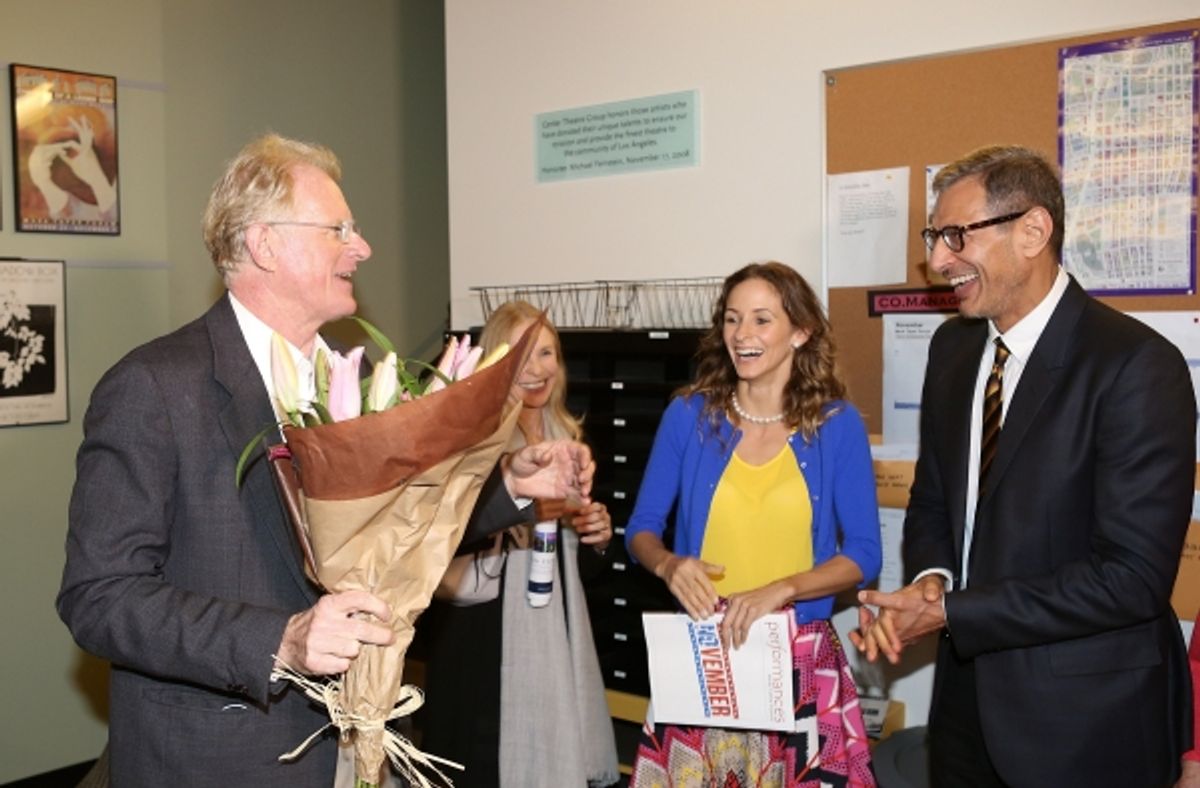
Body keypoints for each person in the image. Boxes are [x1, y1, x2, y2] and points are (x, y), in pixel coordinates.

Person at [56, 133, 596, 787]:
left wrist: (511, 482)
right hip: (221, 760)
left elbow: (402, 526)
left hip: (362, 745)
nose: (362, 248)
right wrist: (279, 640)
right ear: (265, 243)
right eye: (339, 229)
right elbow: (99, 597)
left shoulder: (360, 378)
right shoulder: (154, 387)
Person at [851, 145, 1195, 788]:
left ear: (1033, 231)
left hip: (1086, 724)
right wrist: (932, 578)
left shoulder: (1135, 367)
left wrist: (954, 614)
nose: (937, 260)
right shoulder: (953, 349)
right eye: (934, 237)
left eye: (956, 236)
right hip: (963, 713)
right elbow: (934, 502)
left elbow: (1130, 578)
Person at [624, 261, 881, 787]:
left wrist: (781, 589)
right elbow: (642, 529)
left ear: (801, 332)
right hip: (705, 657)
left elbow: (863, 554)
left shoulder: (837, 425)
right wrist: (669, 564)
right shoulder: (688, 415)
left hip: (798, 658)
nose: (742, 335)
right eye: (733, 319)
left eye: (762, 320)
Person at [420, 300, 621, 787]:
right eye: (521, 355)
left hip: (559, 648)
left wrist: (595, 535)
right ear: (494, 364)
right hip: (481, 650)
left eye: (547, 353)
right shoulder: (471, 440)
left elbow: (577, 575)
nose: (537, 369)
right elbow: (439, 537)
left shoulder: (568, 438)